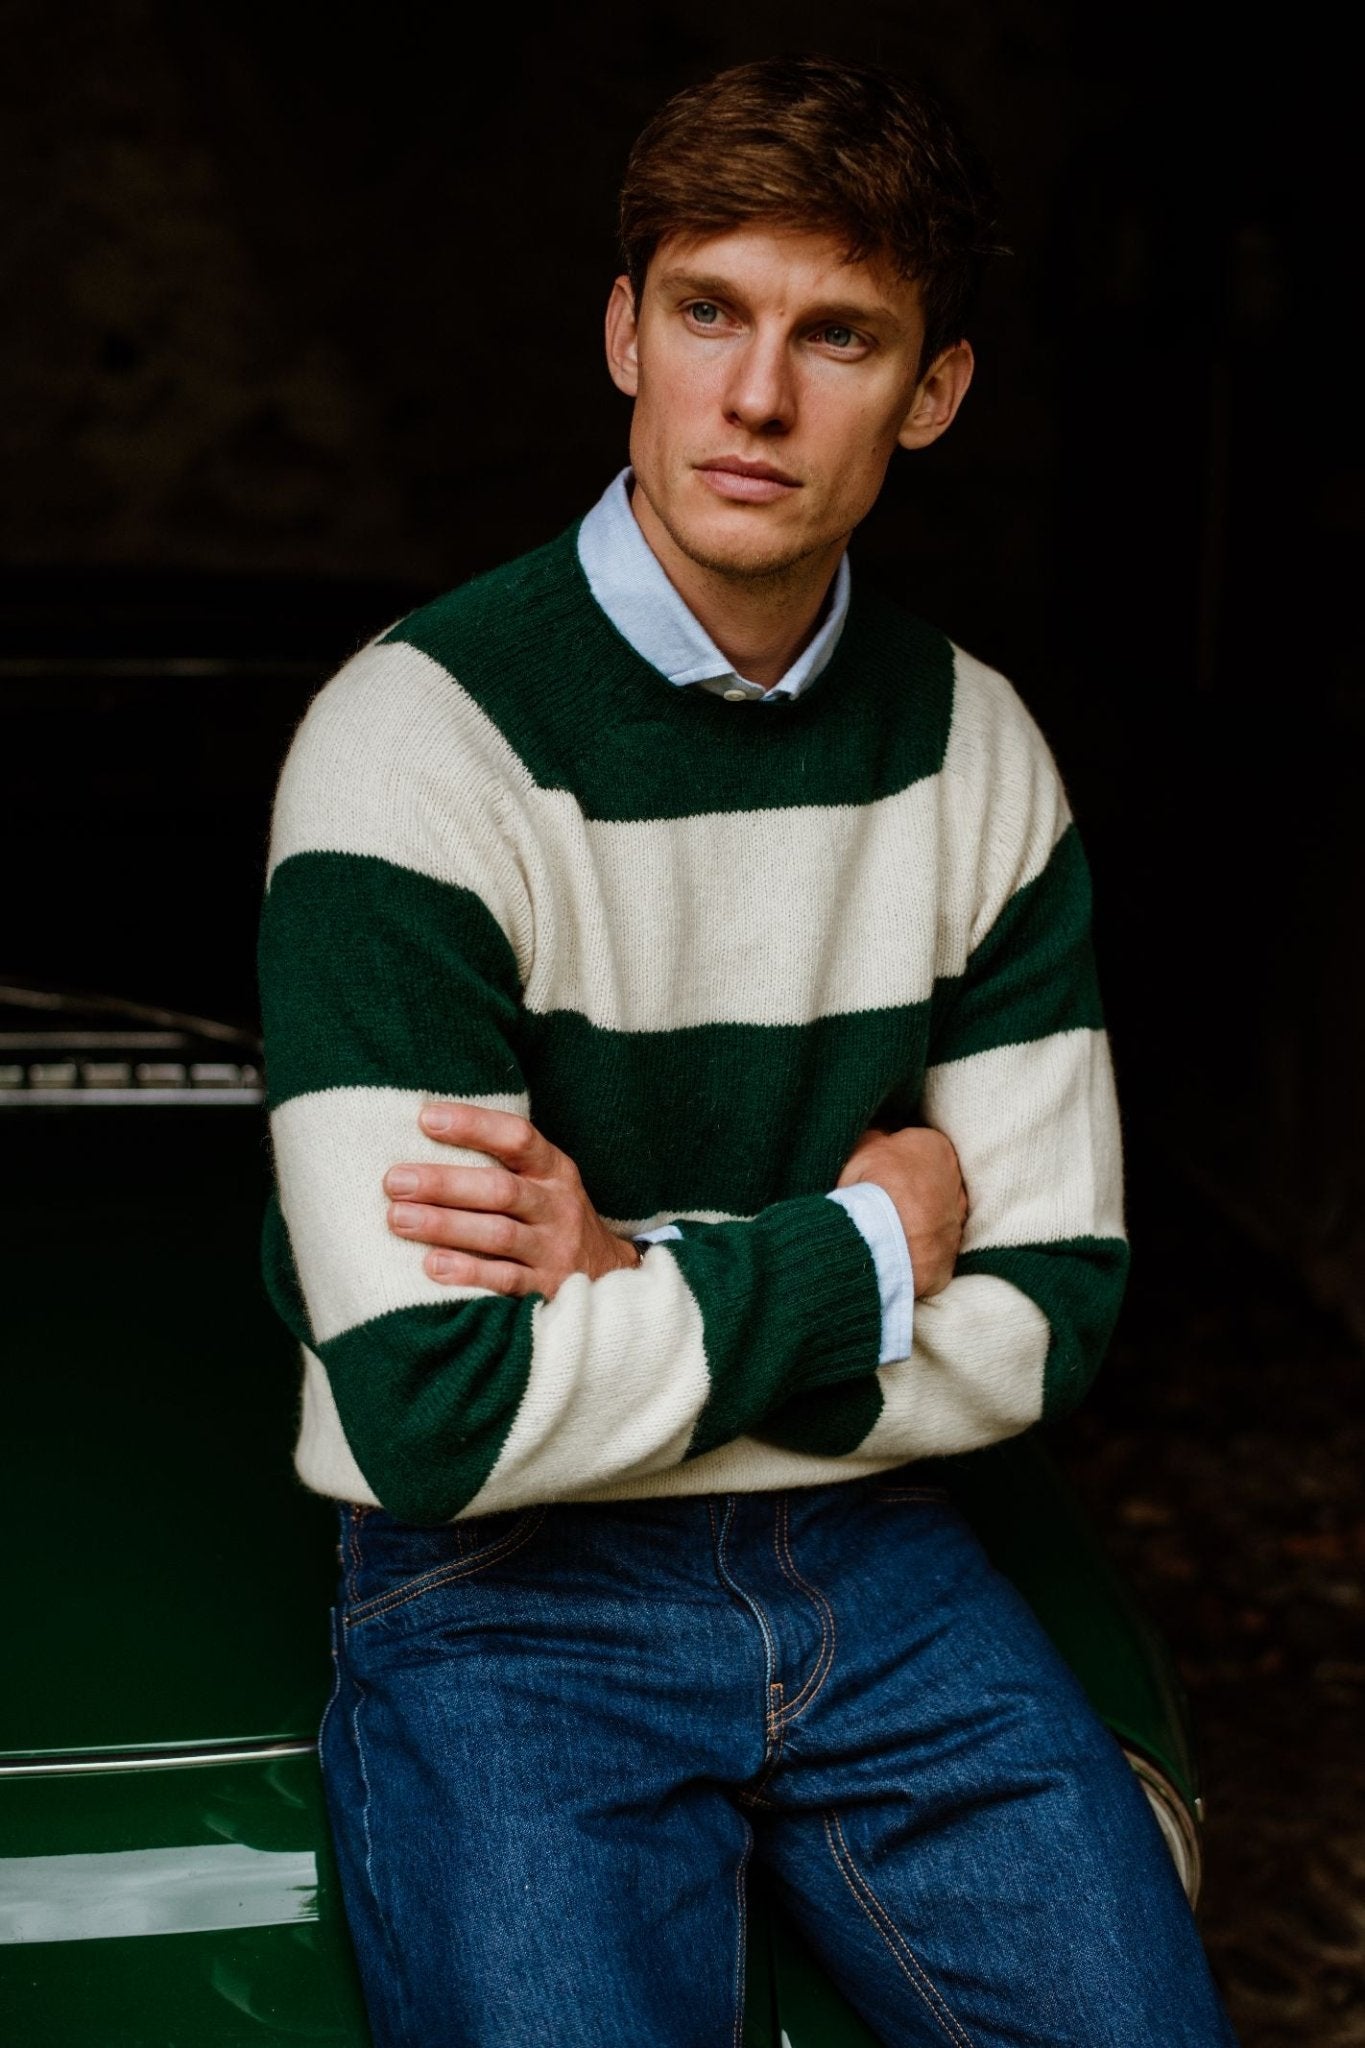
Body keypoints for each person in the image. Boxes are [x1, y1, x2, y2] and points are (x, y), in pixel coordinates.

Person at [258, 54, 1239, 2048]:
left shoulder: (976, 752)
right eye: (706, 310)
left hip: (875, 1562)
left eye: (838, 335)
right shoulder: (417, 744)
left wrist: (623, 1273)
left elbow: (1051, 1314)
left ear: (934, 390)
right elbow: (436, 1411)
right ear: (622, 332)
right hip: (500, 1598)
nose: (759, 394)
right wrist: (860, 1255)